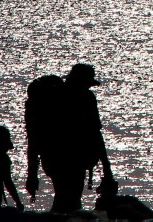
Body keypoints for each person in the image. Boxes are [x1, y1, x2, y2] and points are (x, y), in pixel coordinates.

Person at [25, 63, 114, 212]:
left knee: (66, 197)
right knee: (69, 198)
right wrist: (106, 168)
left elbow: (34, 141)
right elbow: (95, 134)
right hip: (70, 158)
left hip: (57, 159)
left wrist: (32, 173)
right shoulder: (84, 98)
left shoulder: (54, 99)